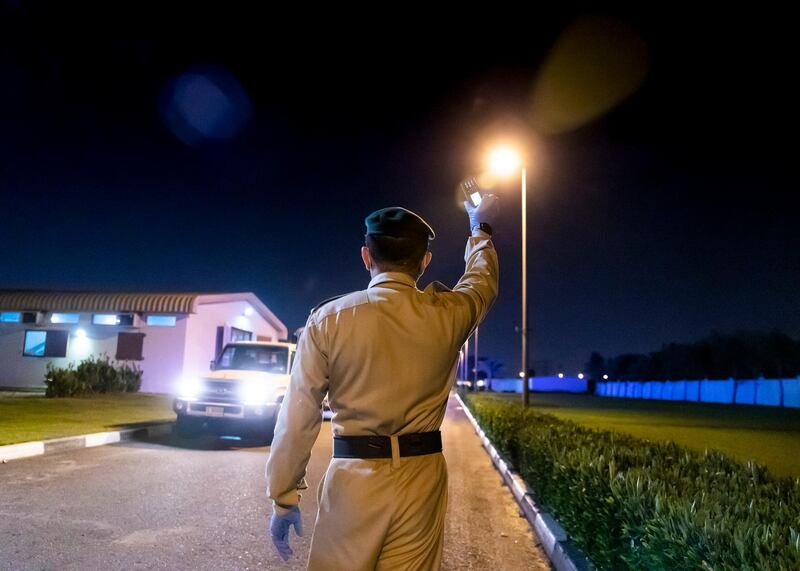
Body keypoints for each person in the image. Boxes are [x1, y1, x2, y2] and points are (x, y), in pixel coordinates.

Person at [266, 195, 499, 570]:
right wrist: (479, 229)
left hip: (354, 480)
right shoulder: (449, 314)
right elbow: (481, 283)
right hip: (422, 479)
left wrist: (283, 496)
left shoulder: (329, 320)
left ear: (366, 256)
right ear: (425, 261)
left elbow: (298, 413)